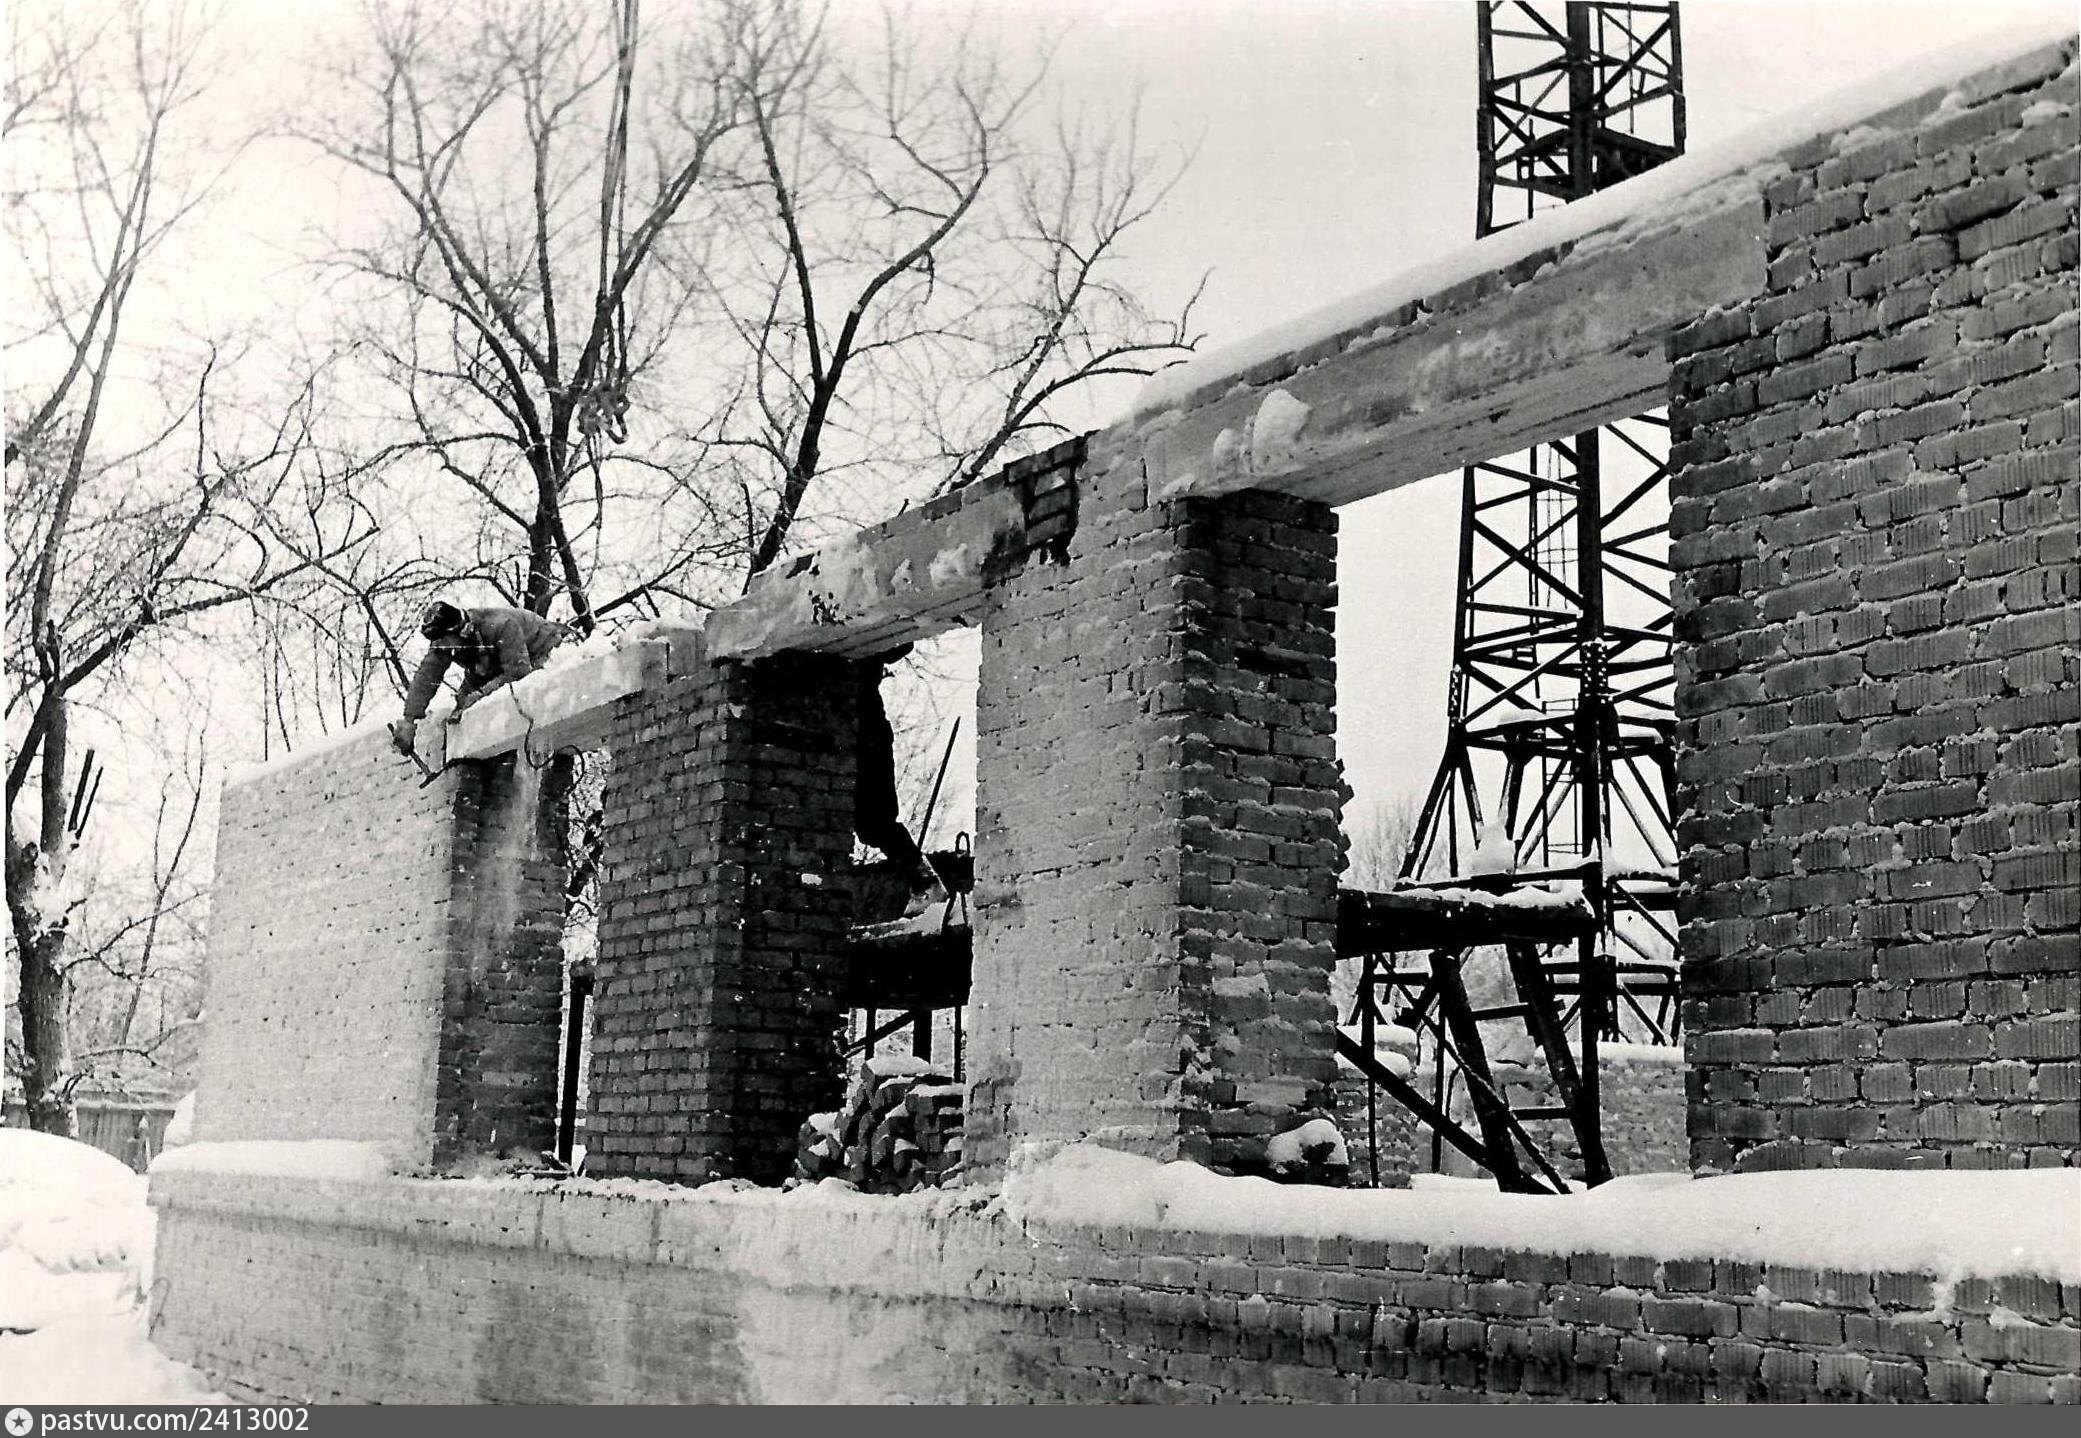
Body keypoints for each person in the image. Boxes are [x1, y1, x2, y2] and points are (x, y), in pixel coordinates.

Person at [389, 600, 571, 757]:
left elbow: (518, 672)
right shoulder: (446, 642)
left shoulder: (501, 625)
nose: (442, 647)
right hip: (499, 660)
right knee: (462, 705)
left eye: (445, 641)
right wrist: (409, 719)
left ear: (462, 630)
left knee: (499, 699)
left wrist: (481, 694)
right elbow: (426, 676)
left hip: (542, 649)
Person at [855, 647, 945, 913]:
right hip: (852, 731)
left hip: (866, 735)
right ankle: (924, 879)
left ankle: (925, 880)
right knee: (870, 824)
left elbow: (901, 643)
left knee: (874, 822)